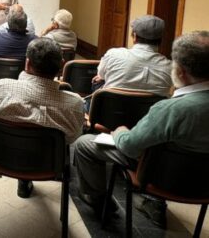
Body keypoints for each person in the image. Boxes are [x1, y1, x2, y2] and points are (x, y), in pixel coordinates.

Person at [74, 31, 209, 227]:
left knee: (84, 144)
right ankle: (155, 205)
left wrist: (119, 132)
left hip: (160, 177)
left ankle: (97, 198)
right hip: (203, 186)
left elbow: (130, 147)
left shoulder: (170, 109)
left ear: (180, 72)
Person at [0, 38, 84, 198]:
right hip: (47, 163)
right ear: (61, 65)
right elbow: (72, 137)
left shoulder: (2, 89)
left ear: (27, 63)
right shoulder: (75, 104)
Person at [92, 15, 172, 97]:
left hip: (109, 108)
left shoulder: (113, 54)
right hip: (150, 109)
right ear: (161, 40)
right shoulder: (171, 67)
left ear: (134, 36)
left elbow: (101, 75)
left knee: (98, 80)